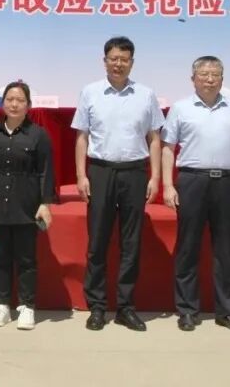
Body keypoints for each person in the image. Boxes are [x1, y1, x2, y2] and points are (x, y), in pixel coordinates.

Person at [71, 36, 164, 332]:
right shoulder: (90, 92)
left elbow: (154, 138)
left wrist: (155, 177)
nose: (118, 64)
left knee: (131, 243)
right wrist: (81, 175)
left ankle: (125, 307)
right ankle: (97, 306)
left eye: (124, 59)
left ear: (132, 63)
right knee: (97, 242)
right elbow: (82, 136)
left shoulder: (146, 95)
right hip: (100, 172)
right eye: (113, 58)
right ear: (105, 61)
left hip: (135, 173)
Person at [160, 56, 230, 333]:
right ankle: (187, 311)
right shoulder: (180, 108)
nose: (210, 79)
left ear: (222, 79)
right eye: (204, 74)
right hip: (192, 181)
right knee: (187, 247)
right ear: (193, 79)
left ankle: (227, 311)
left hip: (227, 182)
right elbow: (167, 148)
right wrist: (168, 185)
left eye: (215, 74)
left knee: (226, 251)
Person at [0, 81, 56, 331]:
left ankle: (26, 306)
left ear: (28, 105)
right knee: (0, 256)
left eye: (20, 100)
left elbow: (46, 171)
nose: (14, 104)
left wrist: (45, 203)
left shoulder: (38, 135)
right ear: (2, 104)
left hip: (26, 204)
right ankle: (1, 305)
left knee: (26, 258)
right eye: (9, 99)